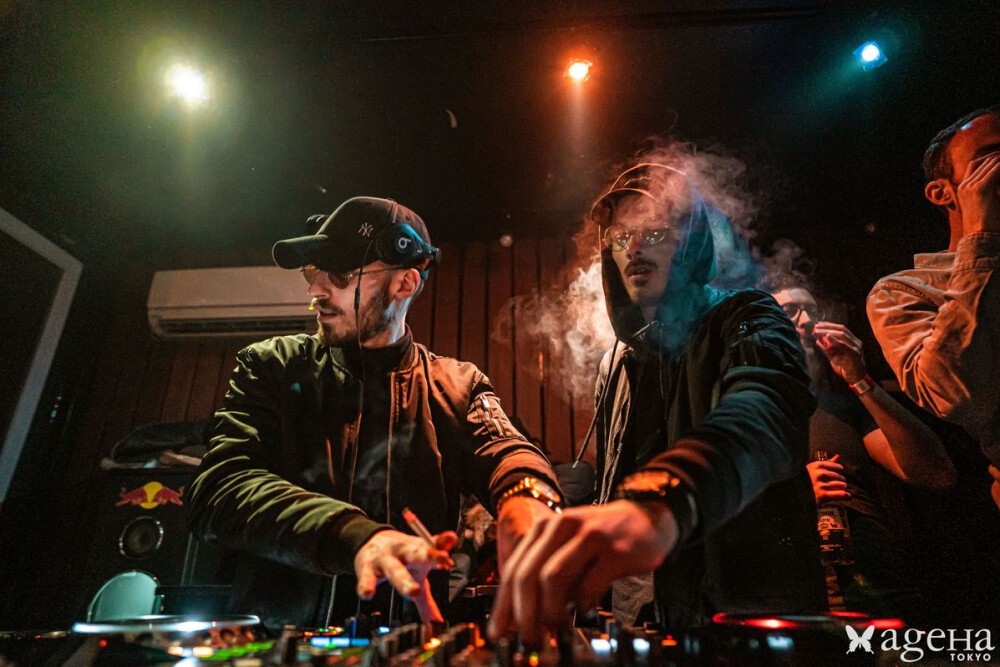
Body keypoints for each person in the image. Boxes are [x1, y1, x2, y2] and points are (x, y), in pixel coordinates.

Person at [187, 196, 561, 630]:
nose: (315, 290)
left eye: (340, 275)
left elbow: (510, 455)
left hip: (406, 644)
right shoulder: (273, 364)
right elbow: (218, 487)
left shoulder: (457, 385)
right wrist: (355, 537)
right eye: (313, 271)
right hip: (275, 640)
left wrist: (529, 502)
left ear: (405, 284)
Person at [490, 162, 825, 643]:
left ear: (689, 244)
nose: (634, 249)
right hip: (645, 619)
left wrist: (666, 498)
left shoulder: (747, 312)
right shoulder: (617, 361)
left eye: (654, 232)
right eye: (620, 238)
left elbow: (766, 405)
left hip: (744, 618)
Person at [771, 284, 954, 620]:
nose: (807, 320)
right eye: (790, 311)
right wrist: (794, 492)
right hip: (797, 602)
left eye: (813, 311)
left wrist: (859, 380)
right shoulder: (743, 413)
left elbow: (935, 473)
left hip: (881, 593)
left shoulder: (842, 410)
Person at [866, 104, 1000, 510]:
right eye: (990, 155)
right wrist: (980, 237)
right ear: (942, 192)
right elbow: (955, 396)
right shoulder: (904, 291)